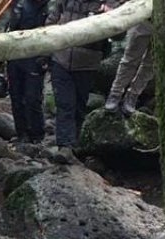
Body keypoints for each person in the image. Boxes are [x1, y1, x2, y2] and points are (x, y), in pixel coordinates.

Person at [46, 0, 111, 149]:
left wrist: (109, 14)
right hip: (60, 60)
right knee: (65, 105)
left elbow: (119, 33)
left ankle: (74, 144)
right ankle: (65, 146)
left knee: (79, 106)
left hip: (87, 64)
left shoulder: (105, 3)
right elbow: (50, 24)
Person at [6, 0, 51, 145]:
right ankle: (22, 133)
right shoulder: (18, 4)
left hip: (36, 57)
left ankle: (37, 133)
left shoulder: (51, 7)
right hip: (15, 54)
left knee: (32, 97)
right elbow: (9, 29)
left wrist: (46, 57)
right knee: (16, 96)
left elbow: (53, 34)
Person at [103, 18, 152, 117]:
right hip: (144, 18)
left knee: (150, 65)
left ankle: (133, 96)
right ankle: (115, 94)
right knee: (130, 60)